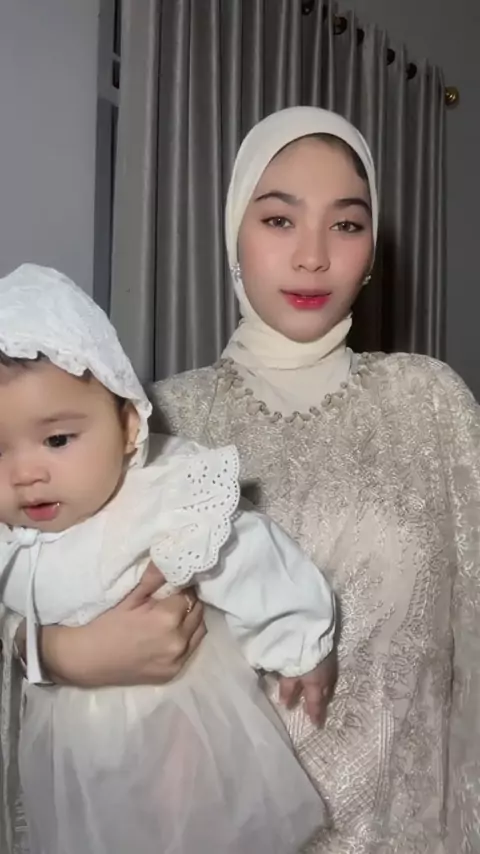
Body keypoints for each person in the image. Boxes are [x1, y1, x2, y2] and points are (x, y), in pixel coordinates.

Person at [4, 104, 479, 852]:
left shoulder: (430, 402)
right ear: (234, 232)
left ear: (372, 249)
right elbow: (34, 569)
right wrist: (56, 654)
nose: (313, 257)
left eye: (346, 224)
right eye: (280, 220)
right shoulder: (156, 418)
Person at [0, 264, 336, 854]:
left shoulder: (156, 495)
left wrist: (301, 642)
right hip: (74, 752)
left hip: (179, 722)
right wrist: (45, 650)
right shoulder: (10, 535)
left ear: (129, 425)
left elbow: (246, 554)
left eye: (57, 440)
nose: (26, 473)